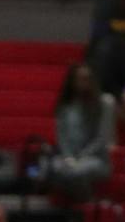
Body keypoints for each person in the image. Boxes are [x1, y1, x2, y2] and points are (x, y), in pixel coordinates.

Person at [47, 62, 115, 202]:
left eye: (86, 78)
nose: (82, 83)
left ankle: (87, 204)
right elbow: (62, 136)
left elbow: (102, 138)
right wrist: (68, 157)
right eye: (79, 78)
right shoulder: (65, 106)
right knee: (54, 167)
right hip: (69, 158)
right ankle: (82, 203)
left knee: (76, 171)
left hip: (96, 158)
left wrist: (80, 157)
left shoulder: (104, 103)